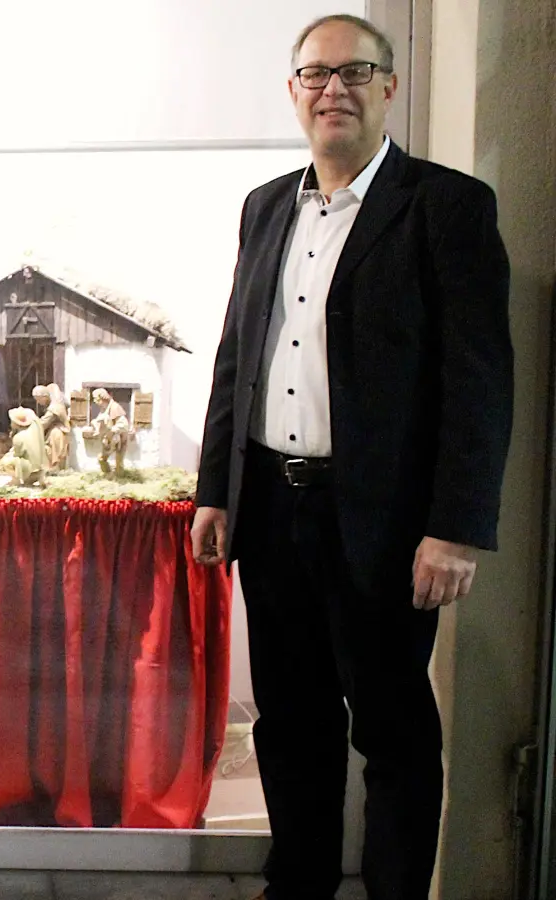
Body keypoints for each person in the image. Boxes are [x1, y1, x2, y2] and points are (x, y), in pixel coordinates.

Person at [191, 14, 513, 900]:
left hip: (384, 520)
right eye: (315, 75)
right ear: (295, 91)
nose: (334, 89)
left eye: (355, 72)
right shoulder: (265, 206)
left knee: (394, 731)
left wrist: (455, 529)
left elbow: (480, 383)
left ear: (389, 89)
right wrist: (216, 489)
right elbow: (238, 356)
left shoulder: (445, 207)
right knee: (289, 723)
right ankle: (298, 884)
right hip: (274, 508)